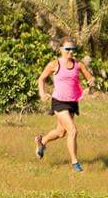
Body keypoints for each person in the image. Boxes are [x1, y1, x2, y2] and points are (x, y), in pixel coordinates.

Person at [34, 41, 95, 172]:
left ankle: (42, 141)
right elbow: (41, 79)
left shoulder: (78, 65)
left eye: (73, 49)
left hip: (72, 102)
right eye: (67, 49)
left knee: (61, 132)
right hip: (58, 101)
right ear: (61, 49)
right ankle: (75, 164)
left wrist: (91, 85)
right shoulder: (54, 64)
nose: (70, 51)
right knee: (72, 130)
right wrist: (42, 93)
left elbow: (90, 78)